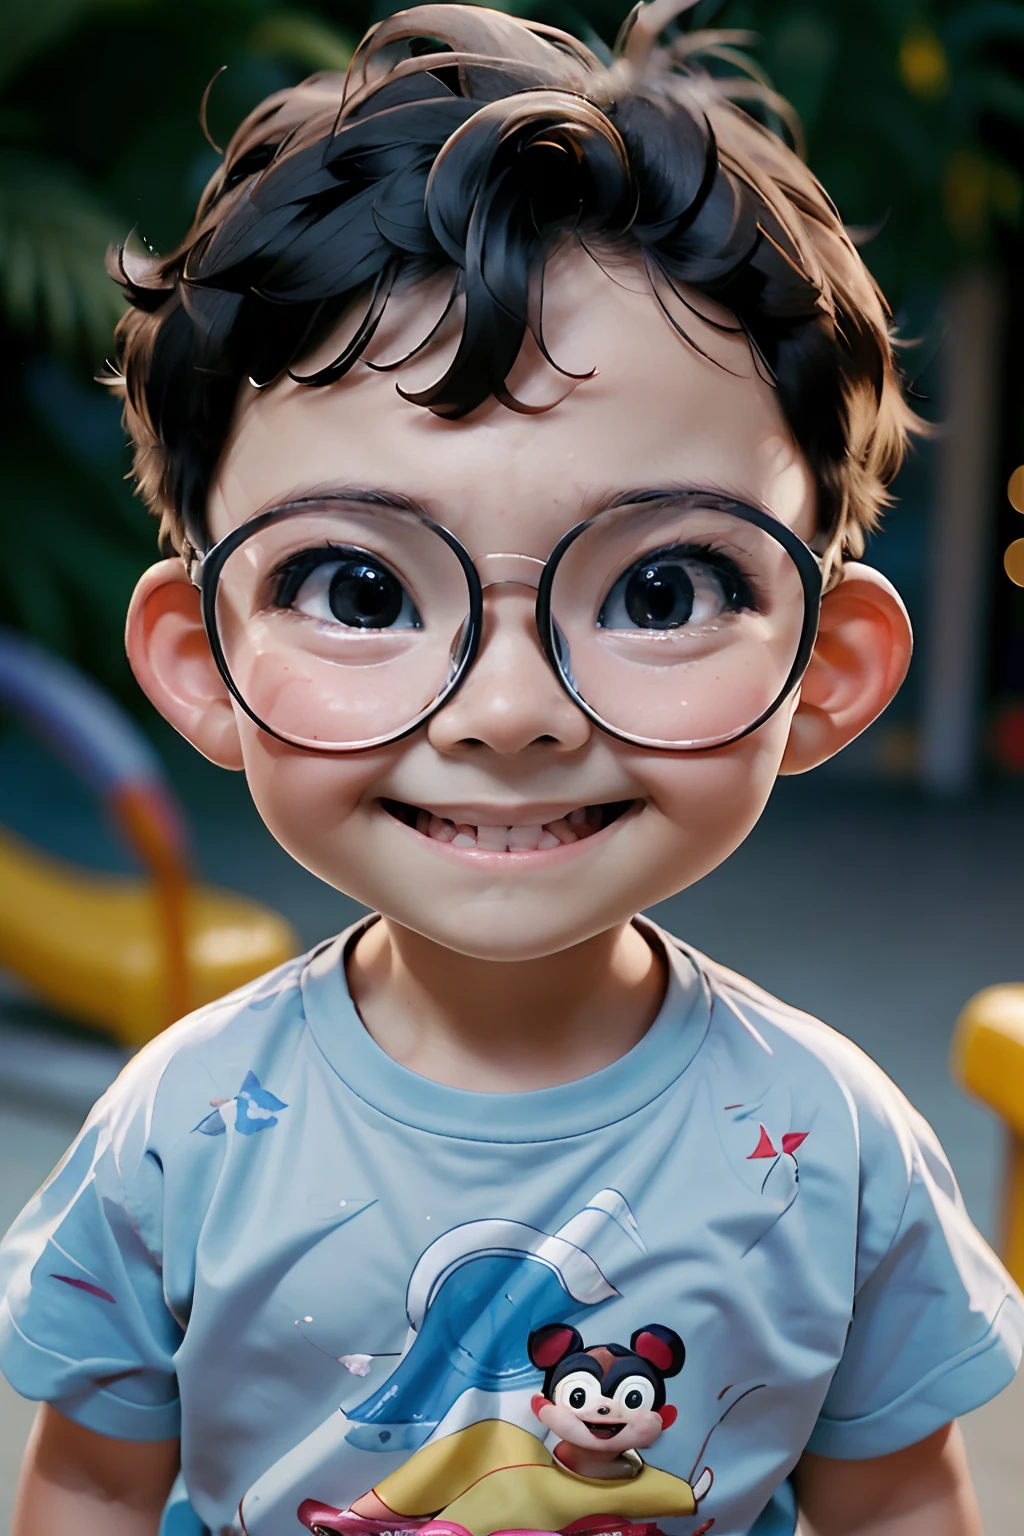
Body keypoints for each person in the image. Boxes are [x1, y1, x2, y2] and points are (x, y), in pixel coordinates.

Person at [2, 4, 1020, 1535]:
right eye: (359, 590)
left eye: (662, 592)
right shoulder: (176, 1129)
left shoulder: (840, 1146)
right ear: (204, 662)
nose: (508, 709)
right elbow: (87, 1478)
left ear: (828, 671)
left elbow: (894, 1502)